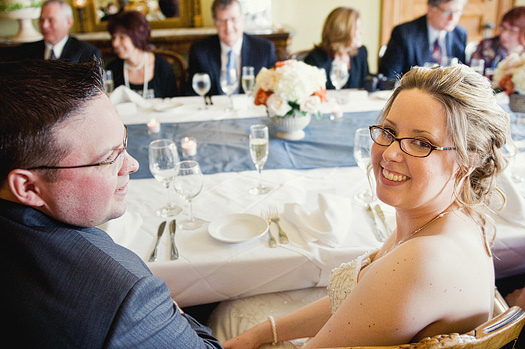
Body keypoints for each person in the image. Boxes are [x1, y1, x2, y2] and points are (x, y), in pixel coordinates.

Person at [209, 64, 510, 348]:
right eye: (389, 132)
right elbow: (361, 307)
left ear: (468, 160)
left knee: (226, 314)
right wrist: (264, 332)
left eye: (421, 143)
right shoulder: (450, 215)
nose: (390, 153)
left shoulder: (423, 259)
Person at [0, 59, 221, 348]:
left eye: (124, 142)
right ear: (28, 187)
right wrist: (172, 312)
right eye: (109, 157)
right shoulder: (127, 296)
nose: (132, 164)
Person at [186, 0, 277, 96]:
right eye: (222, 20)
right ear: (215, 23)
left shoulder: (264, 49)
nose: (228, 27)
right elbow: (191, 93)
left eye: (233, 19)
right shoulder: (200, 51)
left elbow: (273, 90)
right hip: (215, 110)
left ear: (243, 19)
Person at [379, 0, 467, 79]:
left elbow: (462, 75)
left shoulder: (460, 34)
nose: (452, 18)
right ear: (430, 9)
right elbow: (390, 77)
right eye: (447, 11)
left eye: (458, 12)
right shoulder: (404, 33)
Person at [106, 10, 178, 98]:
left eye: (122, 37)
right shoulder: (113, 69)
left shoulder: (162, 67)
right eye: (114, 38)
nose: (115, 43)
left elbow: (172, 103)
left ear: (137, 37)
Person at [304, 7, 369, 89]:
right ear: (342, 31)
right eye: (356, 28)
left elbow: (365, 88)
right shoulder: (315, 60)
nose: (361, 32)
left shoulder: (361, 53)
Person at [17, 0, 101, 63]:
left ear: (68, 22)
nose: (44, 25)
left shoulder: (88, 53)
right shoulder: (25, 52)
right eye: (41, 20)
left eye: (51, 20)